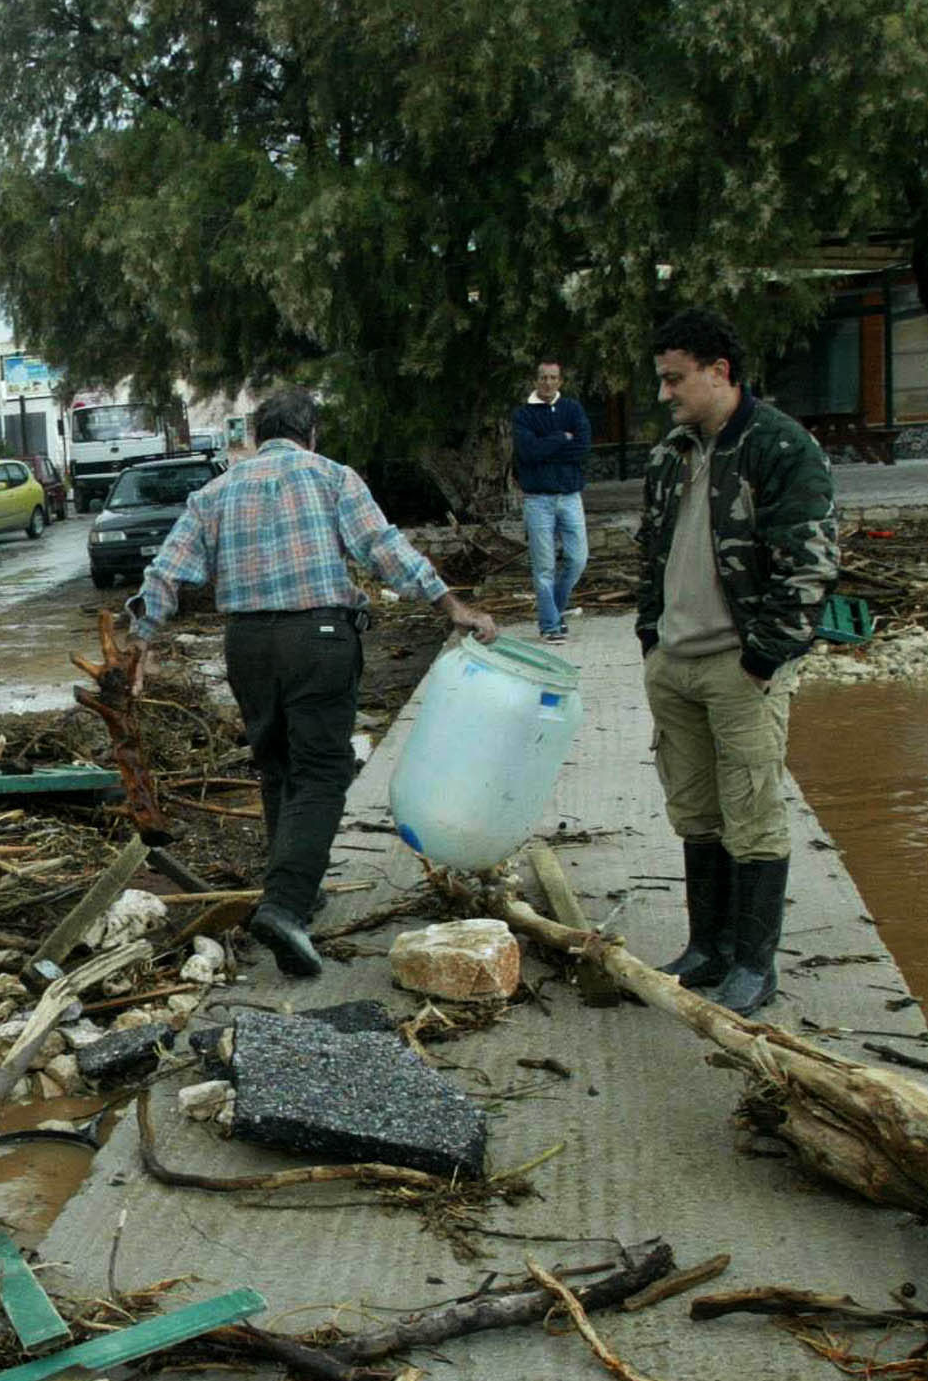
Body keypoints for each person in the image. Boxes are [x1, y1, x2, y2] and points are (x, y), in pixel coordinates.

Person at [128, 386, 497, 978]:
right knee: (322, 770)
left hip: (247, 644)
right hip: (319, 638)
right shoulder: (332, 477)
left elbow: (165, 573)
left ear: (254, 434)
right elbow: (384, 550)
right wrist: (449, 604)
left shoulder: (215, 492)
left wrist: (140, 641)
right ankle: (286, 905)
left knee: (276, 766)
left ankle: (295, 885)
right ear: (312, 433)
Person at [634, 308, 837, 1016]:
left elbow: (809, 564)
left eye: (674, 379)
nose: (664, 394)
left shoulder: (778, 447)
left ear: (718, 372)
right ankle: (707, 947)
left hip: (737, 664)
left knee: (752, 809)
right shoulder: (673, 453)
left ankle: (754, 963)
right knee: (695, 810)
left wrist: (764, 656)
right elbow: (648, 551)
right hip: (675, 660)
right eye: (661, 379)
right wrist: (648, 638)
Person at [510, 359, 591, 642]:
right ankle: (550, 626)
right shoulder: (523, 416)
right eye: (543, 378)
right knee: (544, 566)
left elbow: (581, 448)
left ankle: (554, 610)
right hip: (538, 500)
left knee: (578, 559)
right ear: (535, 381)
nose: (547, 383)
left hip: (570, 497)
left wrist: (548, 446)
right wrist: (561, 437)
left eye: (553, 378)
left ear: (560, 381)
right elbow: (528, 453)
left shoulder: (573, 409)